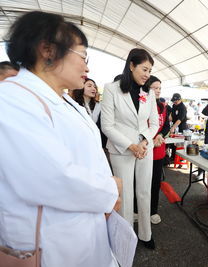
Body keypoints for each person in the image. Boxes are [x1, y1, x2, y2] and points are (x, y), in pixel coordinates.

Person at [0, 11, 121, 267]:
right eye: (83, 57)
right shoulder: (12, 98)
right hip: (52, 244)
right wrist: (110, 189)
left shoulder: (62, 99)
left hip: (83, 230)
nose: (87, 68)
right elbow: (48, 177)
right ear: (48, 50)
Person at [101, 48, 159, 249]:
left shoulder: (149, 93)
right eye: (144, 69)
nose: (147, 74)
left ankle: (145, 234)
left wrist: (143, 140)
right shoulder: (111, 89)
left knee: (144, 191)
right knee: (125, 197)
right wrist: (131, 145)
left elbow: (154, 123)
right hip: (121, 149)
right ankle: (125, 240)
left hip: (144, 148)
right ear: (131, 65)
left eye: (150, 70)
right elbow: (107, 125)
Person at [133, 75, 169, 225]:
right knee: (139, 181)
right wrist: (148, 139)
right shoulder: (140, 104)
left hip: (158, 150)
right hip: (143, 148)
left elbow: (166, 125)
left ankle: (152, 211)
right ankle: (136, 210)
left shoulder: (164, 106)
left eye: (159, 88)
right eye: (155, 88)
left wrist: (160, 135)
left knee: (155, 182)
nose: (158, 91)